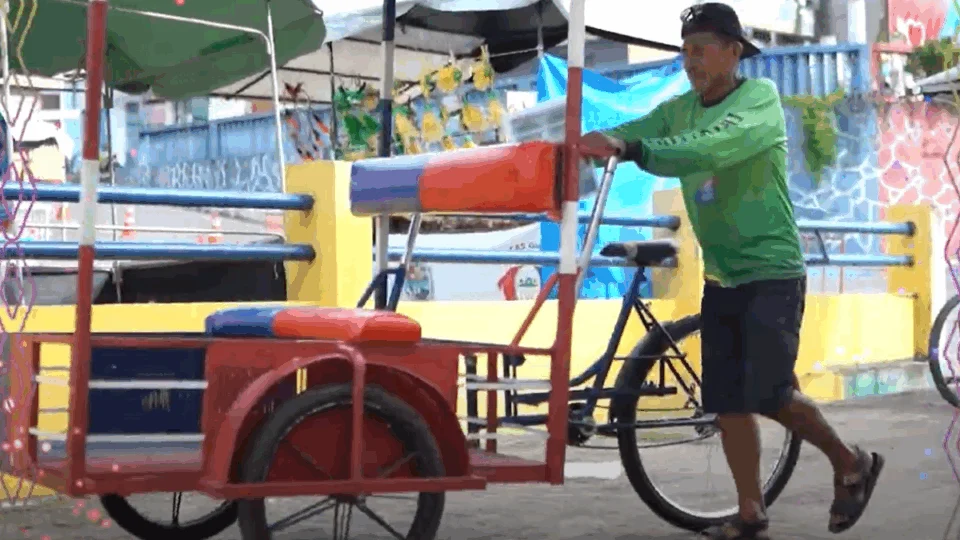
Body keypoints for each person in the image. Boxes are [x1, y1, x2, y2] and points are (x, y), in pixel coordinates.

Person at [579, 3, 884, 539]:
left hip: (772, 271)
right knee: (724, 401)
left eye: (702, 50)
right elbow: (633, 128)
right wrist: (591, 139)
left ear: (733, 52)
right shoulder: (678, 109)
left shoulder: (759, 101)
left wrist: (634, 148)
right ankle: (750, 513)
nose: (691, 61)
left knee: (768, 393)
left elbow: (708, 146)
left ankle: (851, 461)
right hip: (722, 277)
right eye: (685, 51)